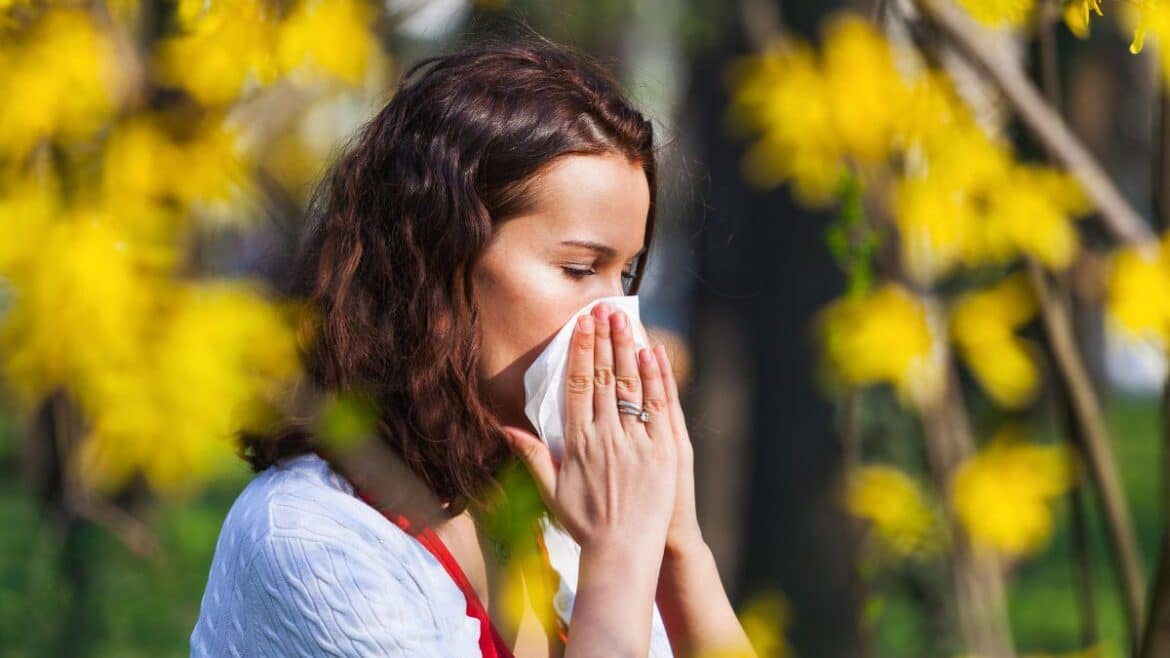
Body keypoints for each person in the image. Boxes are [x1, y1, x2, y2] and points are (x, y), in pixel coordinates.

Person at [190, 33, 755, 658]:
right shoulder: (313, 540)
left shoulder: (557, 510)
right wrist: (619, 561)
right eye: (577, 269)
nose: (619, 321)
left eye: (623, 275)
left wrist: (677, 548)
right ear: (436, 261)